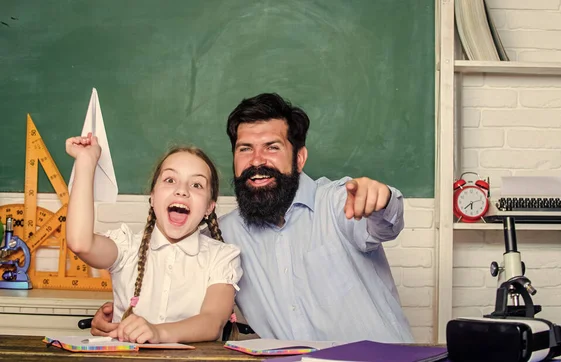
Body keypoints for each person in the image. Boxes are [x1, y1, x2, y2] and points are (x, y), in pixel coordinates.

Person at [89, 93, 414, 343]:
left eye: (272, 147)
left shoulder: (339, 202)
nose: (257, 160)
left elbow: (385, 224)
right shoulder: (224, 237)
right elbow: (172, 267)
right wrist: (122, 313)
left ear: (299, 157)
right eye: (245, 149)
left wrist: (382, 200)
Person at [66, 133, 242, 343]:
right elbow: (80, 243)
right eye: (170, 180)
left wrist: (158, 332)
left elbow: (212, 322)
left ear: (209, 207)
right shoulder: (127, 247)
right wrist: (86, 161)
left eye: (196, 185)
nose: (181, 191)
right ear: (152, 196)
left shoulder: (221, 256)